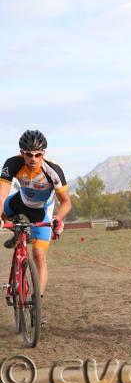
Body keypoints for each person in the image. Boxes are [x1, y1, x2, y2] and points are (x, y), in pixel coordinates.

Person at [0, 130, 72, 322]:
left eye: (38, 154)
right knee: (1, 210)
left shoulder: (52, 170)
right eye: (29, 154)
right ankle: (18, 233)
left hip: (42, 211)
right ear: (21, 153)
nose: (33, 159)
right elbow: (2, 194)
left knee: (39, 255)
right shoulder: (12, 163)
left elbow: (66, 202)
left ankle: (36, 304)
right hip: (18, 204)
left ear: (43, 154)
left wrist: (57, 218)